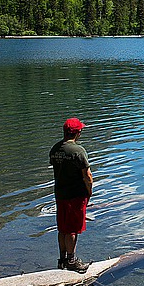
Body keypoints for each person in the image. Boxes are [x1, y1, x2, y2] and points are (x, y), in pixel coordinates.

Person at [50, 117, 93, 273]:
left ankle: (62, 260)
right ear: (78, 132)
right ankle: (72, 261)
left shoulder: (55, 149)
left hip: (60, 194)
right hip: (76, 195)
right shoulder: (78, 151)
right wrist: (89, 191)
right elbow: (87, 175)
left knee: (62, 228)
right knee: (73, 229)